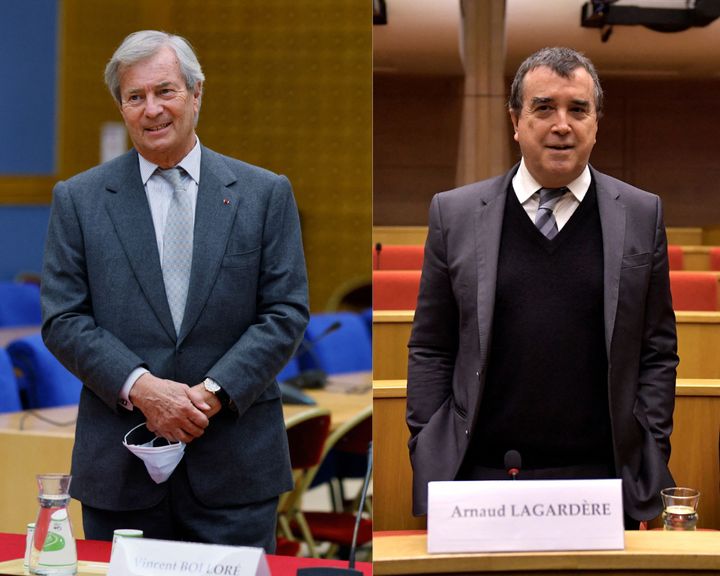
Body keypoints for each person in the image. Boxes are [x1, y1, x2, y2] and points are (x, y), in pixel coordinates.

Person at [41, 30, 308, 551]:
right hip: (120, 471)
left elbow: (285, 312)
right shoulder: (79, 200)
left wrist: (207, 395)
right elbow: (63, 318)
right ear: (122, 107)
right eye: (135, 97)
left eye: (165, 91)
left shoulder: (263, 194)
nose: (152, 110)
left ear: (196, 93)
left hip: (234, 468)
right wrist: (143, 388)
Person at [406, 46, 678, 528]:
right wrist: (426, 441)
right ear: (515, 120)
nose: (562, 124)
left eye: (578, 109)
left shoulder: (641, 214)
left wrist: (650, 444)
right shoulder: (455, 213)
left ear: (597, 122)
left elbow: (657, 349)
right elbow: (431, 345)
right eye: (544, 107)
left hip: (602, 483)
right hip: (477, 479)